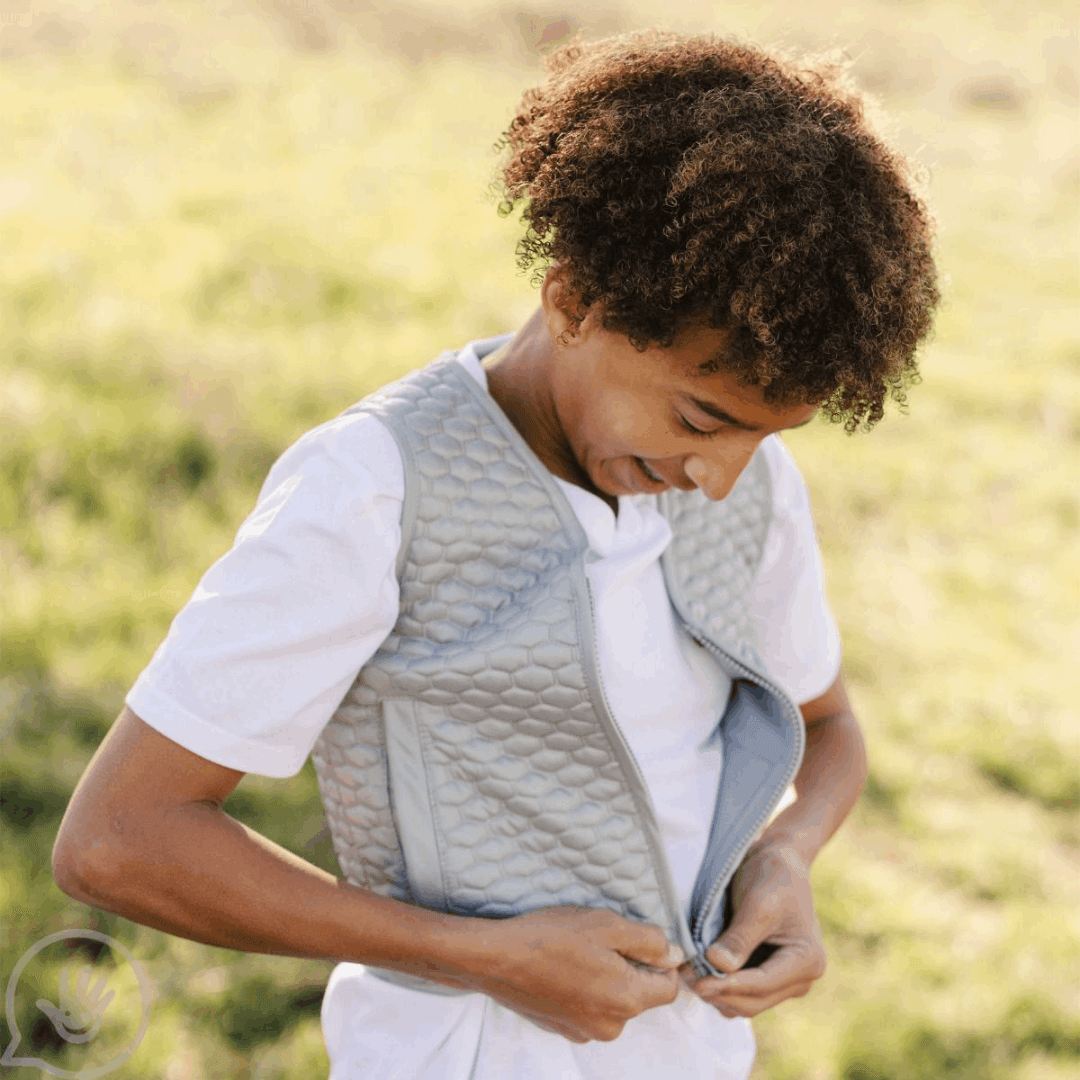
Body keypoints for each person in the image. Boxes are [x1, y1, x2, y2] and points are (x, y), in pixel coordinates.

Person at [52, 29, 938, 1080]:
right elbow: (119, 837)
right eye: (701, 419)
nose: (725, 477)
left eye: (765, 436)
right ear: (575, 301)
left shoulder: (748, 494)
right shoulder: (377, 489)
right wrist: (480, 956)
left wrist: (784, 855)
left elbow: (826, 729)